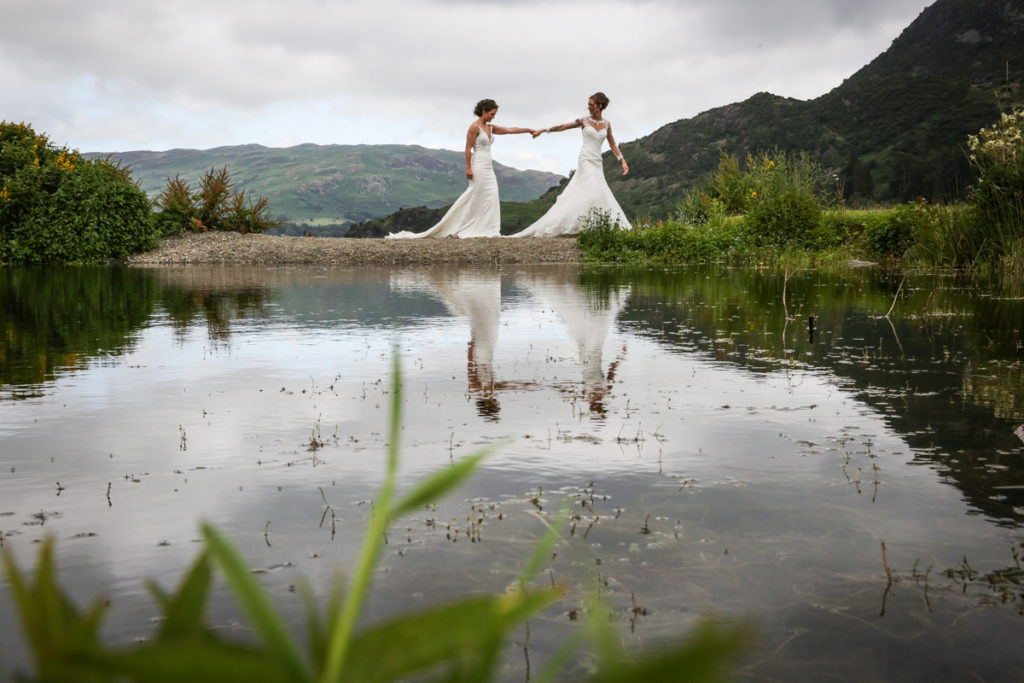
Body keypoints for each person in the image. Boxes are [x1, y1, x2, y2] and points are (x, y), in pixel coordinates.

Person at [387, 99, 536, 239]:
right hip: (478, 163)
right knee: (474, 193)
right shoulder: (474, 127)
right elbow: (467, 149)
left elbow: (510, 130)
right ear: (484, 111)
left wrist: (528, 130)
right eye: (492, 114)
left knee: (491, 195)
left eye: (494, 114)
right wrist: (468, 169)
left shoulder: (491, 127)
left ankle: (489, 227)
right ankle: (462, 224)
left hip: (488, 165)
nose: (493, 117)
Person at [509, 92, 631, 238]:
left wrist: (622, 160)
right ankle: (585, 223)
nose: (588, 107)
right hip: (585, 158)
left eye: (591, 105)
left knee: (596, 190)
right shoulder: (584, 121)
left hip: (597, 161)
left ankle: (590, 224)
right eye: (588, 104)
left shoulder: (607, 123)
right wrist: (544, 130)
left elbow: (612, 143)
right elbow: (563, 127)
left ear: (600, 106)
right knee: (592, 187)